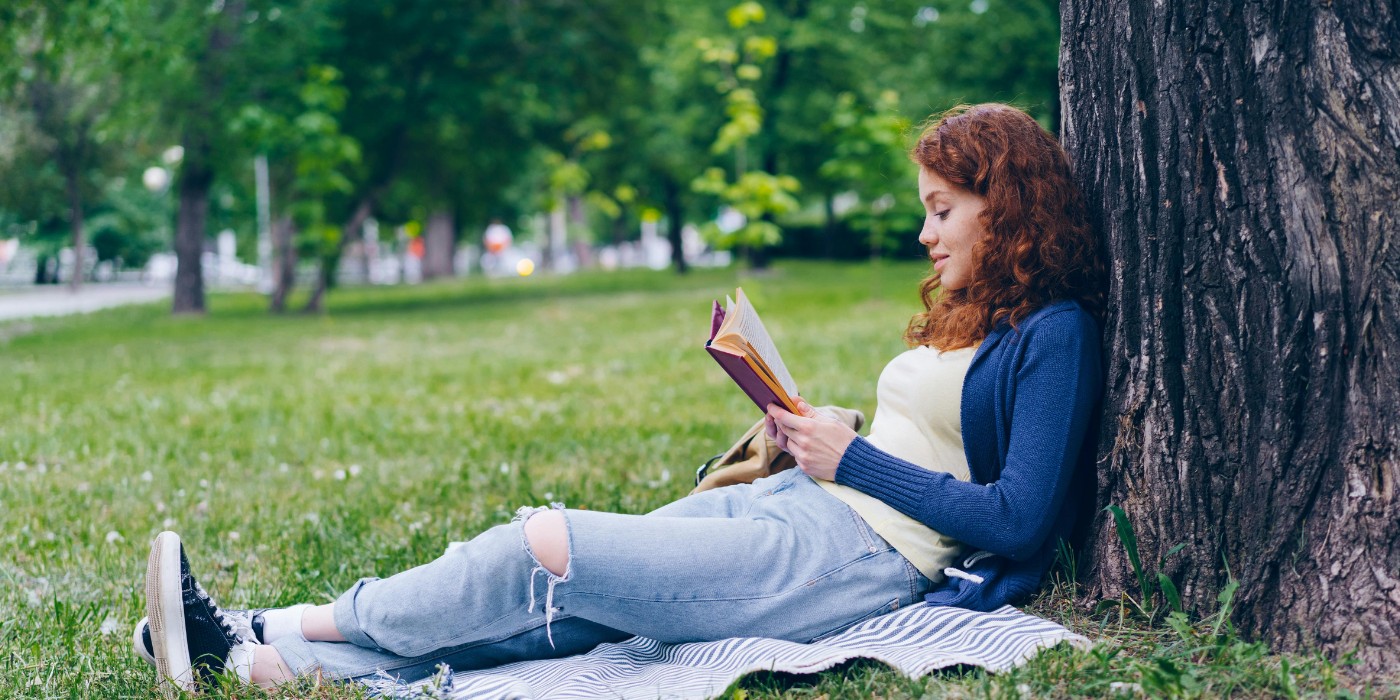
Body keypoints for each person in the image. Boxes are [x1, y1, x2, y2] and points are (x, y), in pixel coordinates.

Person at [134, 103, 1105, 692]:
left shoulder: (1052, 331)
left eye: (941, 210)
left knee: (545, 550)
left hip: (864, 556)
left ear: (1005, 205)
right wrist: (832, 432)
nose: (925, 235)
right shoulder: (972, 311)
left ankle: (284, 623)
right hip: (806, 502)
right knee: (560, 614)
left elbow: (1016, 518)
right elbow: (931, 434)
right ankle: (251, 657)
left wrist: (846, 459)